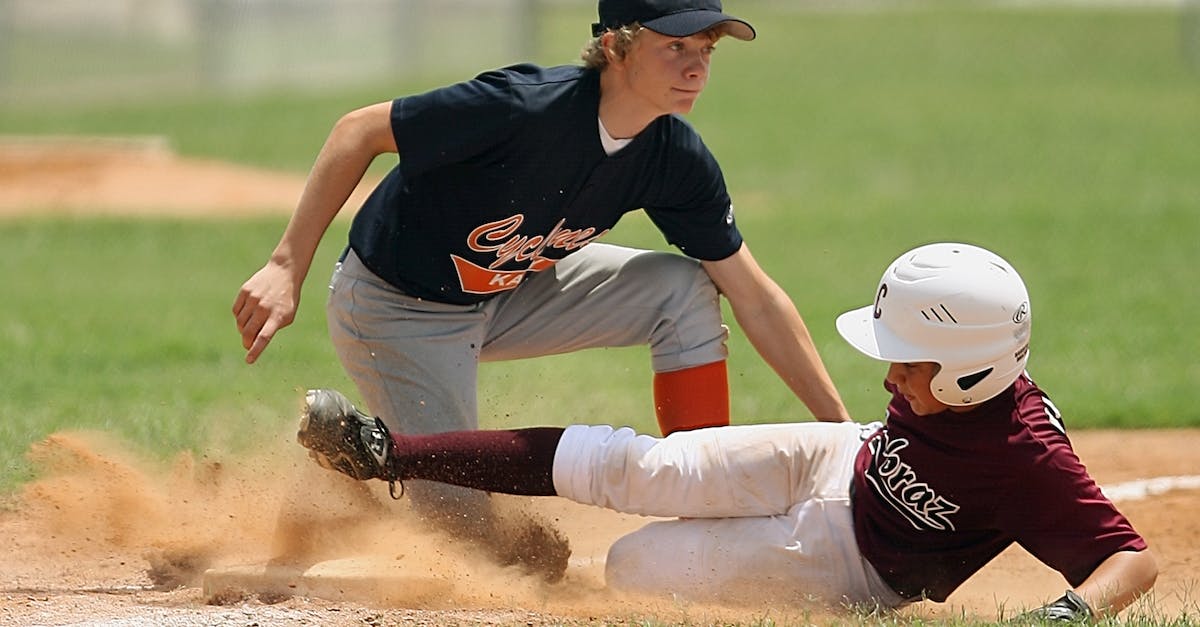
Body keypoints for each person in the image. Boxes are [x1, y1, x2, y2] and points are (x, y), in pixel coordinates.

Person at [232, 0, 850, 579]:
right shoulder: (522, 107)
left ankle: (703, 499)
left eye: (708, 49)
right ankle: (345, 468)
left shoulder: (672, 157)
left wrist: (845, 437)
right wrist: (286, 265)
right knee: (471, 541)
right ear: (617, 47)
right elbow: (357, 131)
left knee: (683, 287)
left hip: (509, 290)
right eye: (676, 45)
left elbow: (757, 297)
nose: (696, 66)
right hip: (398, 309)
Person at [295, 242, 1157, 618]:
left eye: (911, 362)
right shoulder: (948, 384)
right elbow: (894, 406)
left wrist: (1069, 613)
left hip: (862, 563)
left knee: (637, 564)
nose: (891, 373)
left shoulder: (1029, 458)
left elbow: (1132, 557)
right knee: (638, 466)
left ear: (973, 368)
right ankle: (384, 451)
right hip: (841, 456)